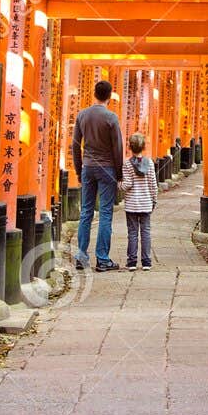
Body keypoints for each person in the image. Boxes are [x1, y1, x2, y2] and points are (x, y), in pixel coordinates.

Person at [71, 79, 124, 271]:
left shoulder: (82, 115)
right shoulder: (111, 118)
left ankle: (81, 256)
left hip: (88, 167)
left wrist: (79, 169)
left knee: (86, 212)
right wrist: (119, 174)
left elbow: (75, 145)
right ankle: (102, 259)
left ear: (94, 93)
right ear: (110, 96)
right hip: (107, 168)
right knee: (105, 213)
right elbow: (117, 148)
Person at [121, 132, 160, 271]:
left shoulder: (127, 164)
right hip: (146, 203)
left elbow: (127, 185)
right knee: (146, 232)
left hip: (131, 204)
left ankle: (132, 262)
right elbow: (153, 185)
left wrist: (118, 185)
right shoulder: (149, 162)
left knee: (132, 233)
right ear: (143, 147)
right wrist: (154, 200)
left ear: (130, 147)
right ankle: (146, 262)